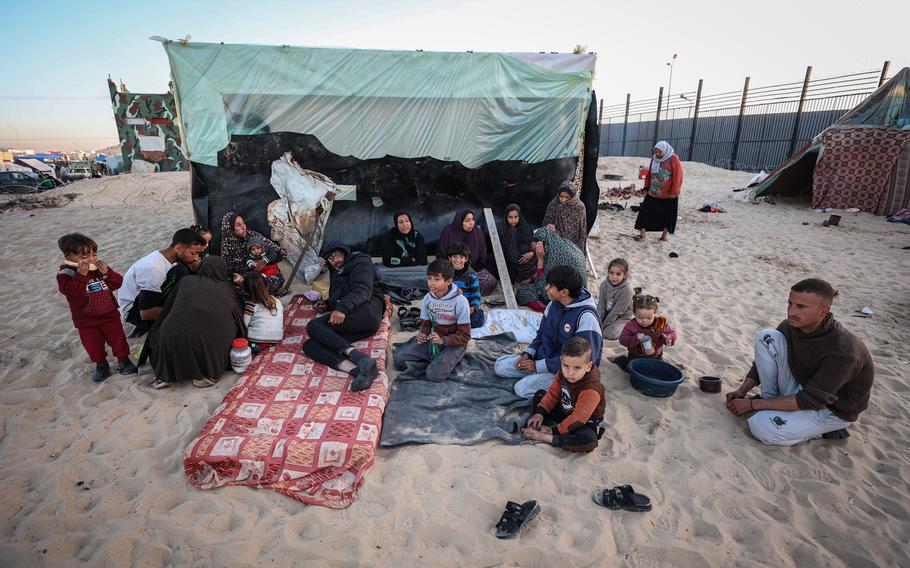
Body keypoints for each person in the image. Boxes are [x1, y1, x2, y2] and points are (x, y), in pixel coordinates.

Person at [726, 278, 874, 446]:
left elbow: (811, 400)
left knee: (760, 427)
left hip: (830, 408)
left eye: (801, 307)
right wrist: (742, 390)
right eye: (790, 303)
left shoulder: (843, 351)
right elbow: (763, 361)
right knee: (767, 337)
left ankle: (824, 430)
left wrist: (752, 404)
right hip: (804, 387)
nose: (791, 312)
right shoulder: (791, 325)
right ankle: (769, 403)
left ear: (823, 311)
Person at [495, 265, 602, 398]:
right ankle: (539, 378)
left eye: (550, 286)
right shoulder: (553, 304)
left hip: (568, 371)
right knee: (500, 367)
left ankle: (561, 392)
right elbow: (541, 334)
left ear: (564, 292)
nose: (546, 288)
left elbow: (582, 359)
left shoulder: (586, 317)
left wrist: (538, 366)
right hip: (544, 358)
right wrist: (528, 353)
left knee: (521, 389)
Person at [141, 256, 246, 390]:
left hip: (170, 338)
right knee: (226, 329)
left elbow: (168, 309)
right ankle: (207, 375)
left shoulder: (185, 281)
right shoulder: (227, 288)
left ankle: (164, 375)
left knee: (167, 332)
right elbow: (238, 316)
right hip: (206, 344)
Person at [302, 241, 385, 392]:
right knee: (310, 345)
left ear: (346, 253)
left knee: (313, 326)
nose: (335, 260)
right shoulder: (337, 270)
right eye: (331, 258)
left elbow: (362, 290)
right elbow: (340, 294)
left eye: (338, 255)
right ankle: (359, 371)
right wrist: (327, 304)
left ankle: (359, 357)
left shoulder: (360, 263)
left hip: (368, 312)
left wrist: (342, 309)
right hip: (358, 321)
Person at [57, 233, 138, 382]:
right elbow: (72, 292)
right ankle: (101, 365)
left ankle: (124, 360)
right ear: (69, 256)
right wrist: (81, 275)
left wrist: (108, 273)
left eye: (94, 254)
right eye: (85, 256)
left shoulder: (98, 270)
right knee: (93, 345)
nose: (92, 259)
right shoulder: (66, 274)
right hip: (86, 320)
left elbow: (117, 283)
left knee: (118, 340)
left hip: (109, 315)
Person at [118, 228, 207, 337]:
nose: (196, 258)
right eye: (194, 253)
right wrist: (183, 311)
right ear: (178, 248)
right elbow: (146, 313)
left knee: (183, 272)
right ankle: (149, 327)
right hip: (134, 311)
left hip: (147, 300)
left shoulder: (169, 259)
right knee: (184, 322)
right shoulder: (153, 268)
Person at [521, 338, 605, 453]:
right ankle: (538, 423)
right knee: (540, 395)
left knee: (589, 440)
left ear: (588, 366)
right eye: (566, 366)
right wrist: (539, 413)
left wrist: (555, 431)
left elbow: (578, 419)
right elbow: (553, 394)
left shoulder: (591, 389)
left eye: (577, 368)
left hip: (583, 423)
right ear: (561, 361)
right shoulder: (562, 373)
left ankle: (548, 438)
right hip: (565, 410)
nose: (570, 373)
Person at [393, 259, 471, 381]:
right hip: (434, 339)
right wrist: (423, 334)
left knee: (434, 376)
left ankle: (444, 360)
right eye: (429, 278)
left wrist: (443, 340)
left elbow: (465, 336)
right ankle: (433, 361)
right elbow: (426, 324)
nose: (431, 283)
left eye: (437, 279)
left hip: (454, 344)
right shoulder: (427, 299)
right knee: (398, 360)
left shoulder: (461, 302)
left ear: (449, 281)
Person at [515, 227, 588, 313]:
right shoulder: (563, 244)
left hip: (566, 295)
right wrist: (531, 279)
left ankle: (547, 309)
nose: (535, 251)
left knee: (523, 292)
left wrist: (540, 258)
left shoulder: (555, 255)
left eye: (537, 248)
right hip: (579, 291)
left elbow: (542, 284)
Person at [220, 211, 288, 297]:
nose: (243, 227)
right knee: (238, 291)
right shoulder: (227, 245)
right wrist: (236, 277)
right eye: (238, 225)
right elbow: (226, 269)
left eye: (243, 223)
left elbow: (281, 253)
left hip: (263, 274)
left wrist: (264, 262)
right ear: (230, 229)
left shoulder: (253, 236)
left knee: (271, 281)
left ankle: (259, 293)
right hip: (245, 280)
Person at [437, 209, 497, 295]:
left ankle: (464, 290)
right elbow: (441, 254)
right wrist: (452, 269)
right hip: (451, 270)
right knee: (440, 281)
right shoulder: (449, 231)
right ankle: (462, 289)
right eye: (467, 220)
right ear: (460, 221)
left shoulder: (477, 232)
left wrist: (471, 271)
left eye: (472, 219)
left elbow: (483, 257)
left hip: (473, 270)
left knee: (489, 281)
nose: (472, 223)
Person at [635, 141, 683, 241]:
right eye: (656, 152)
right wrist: (647, 186)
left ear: (665, 151)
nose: (657, 154)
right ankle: (642, 234)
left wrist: (674, 191)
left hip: (668, 194)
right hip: (653, 192)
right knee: (645, 212)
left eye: (659, 152)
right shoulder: (654, 159)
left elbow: (678, 175)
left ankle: (664, 236)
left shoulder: (673, 159)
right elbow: (649, 174)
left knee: (667, 216)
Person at [615, 295, 677, 372]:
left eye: (649, 318)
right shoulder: (631, 326)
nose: (644, 321)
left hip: (656, 357)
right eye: (640, 317)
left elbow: (672, 333)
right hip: (635, 356)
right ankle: (621, 360)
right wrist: (635, 337)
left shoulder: (660, 324)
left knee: (657, 371)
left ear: (655, 313)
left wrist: (669, 338)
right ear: (634, 313)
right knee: (631, 369)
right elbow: (622, 339)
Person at [243, 272, 285, 355]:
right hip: (276, 340)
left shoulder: (251, 305)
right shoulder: (277, 301)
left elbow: (244, 325)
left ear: (247, 292)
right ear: (267, 286)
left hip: (257, 343)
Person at [542, 181, 588, 254]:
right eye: (561, 196)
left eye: (567, 197)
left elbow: (579, 232)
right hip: (553, 241)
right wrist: (548, 227)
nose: (563, 200)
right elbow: (546, 223)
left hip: (573, 245)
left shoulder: (579, 207)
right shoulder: (553, 204)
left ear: (573, 196)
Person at [496, 203, 536, 283]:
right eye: (510, 217)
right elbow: (507, 253)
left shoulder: (525, 228)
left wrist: (532, 253)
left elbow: (533, 243)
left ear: (519, 217)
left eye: (516, 217)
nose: (513, 220)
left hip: (526, 262)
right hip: (509, 264)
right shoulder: (501, 228)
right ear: (506, 217)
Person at [448, 242, 484, 329]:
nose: (458, 260)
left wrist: (474, 307)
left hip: (466, 308)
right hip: (449, 306)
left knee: (476, 321)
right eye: (454, 257)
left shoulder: (471, 275)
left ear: (466, 258)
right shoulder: (446, 273)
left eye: (461, 257)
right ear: (449, 258)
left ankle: (479, 313)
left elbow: (476, 294)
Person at [597, 258, 635, 340]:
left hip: (623, 317)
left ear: (624, 275)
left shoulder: (627, 291)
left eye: (618, 274)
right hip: (608, 312)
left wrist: (603, 326)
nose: (614, 277)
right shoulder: (604, 285)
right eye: (611, 273)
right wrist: (598, 323)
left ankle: (629, 328)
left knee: (608, 334)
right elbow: (601, 306)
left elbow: (617, 312)